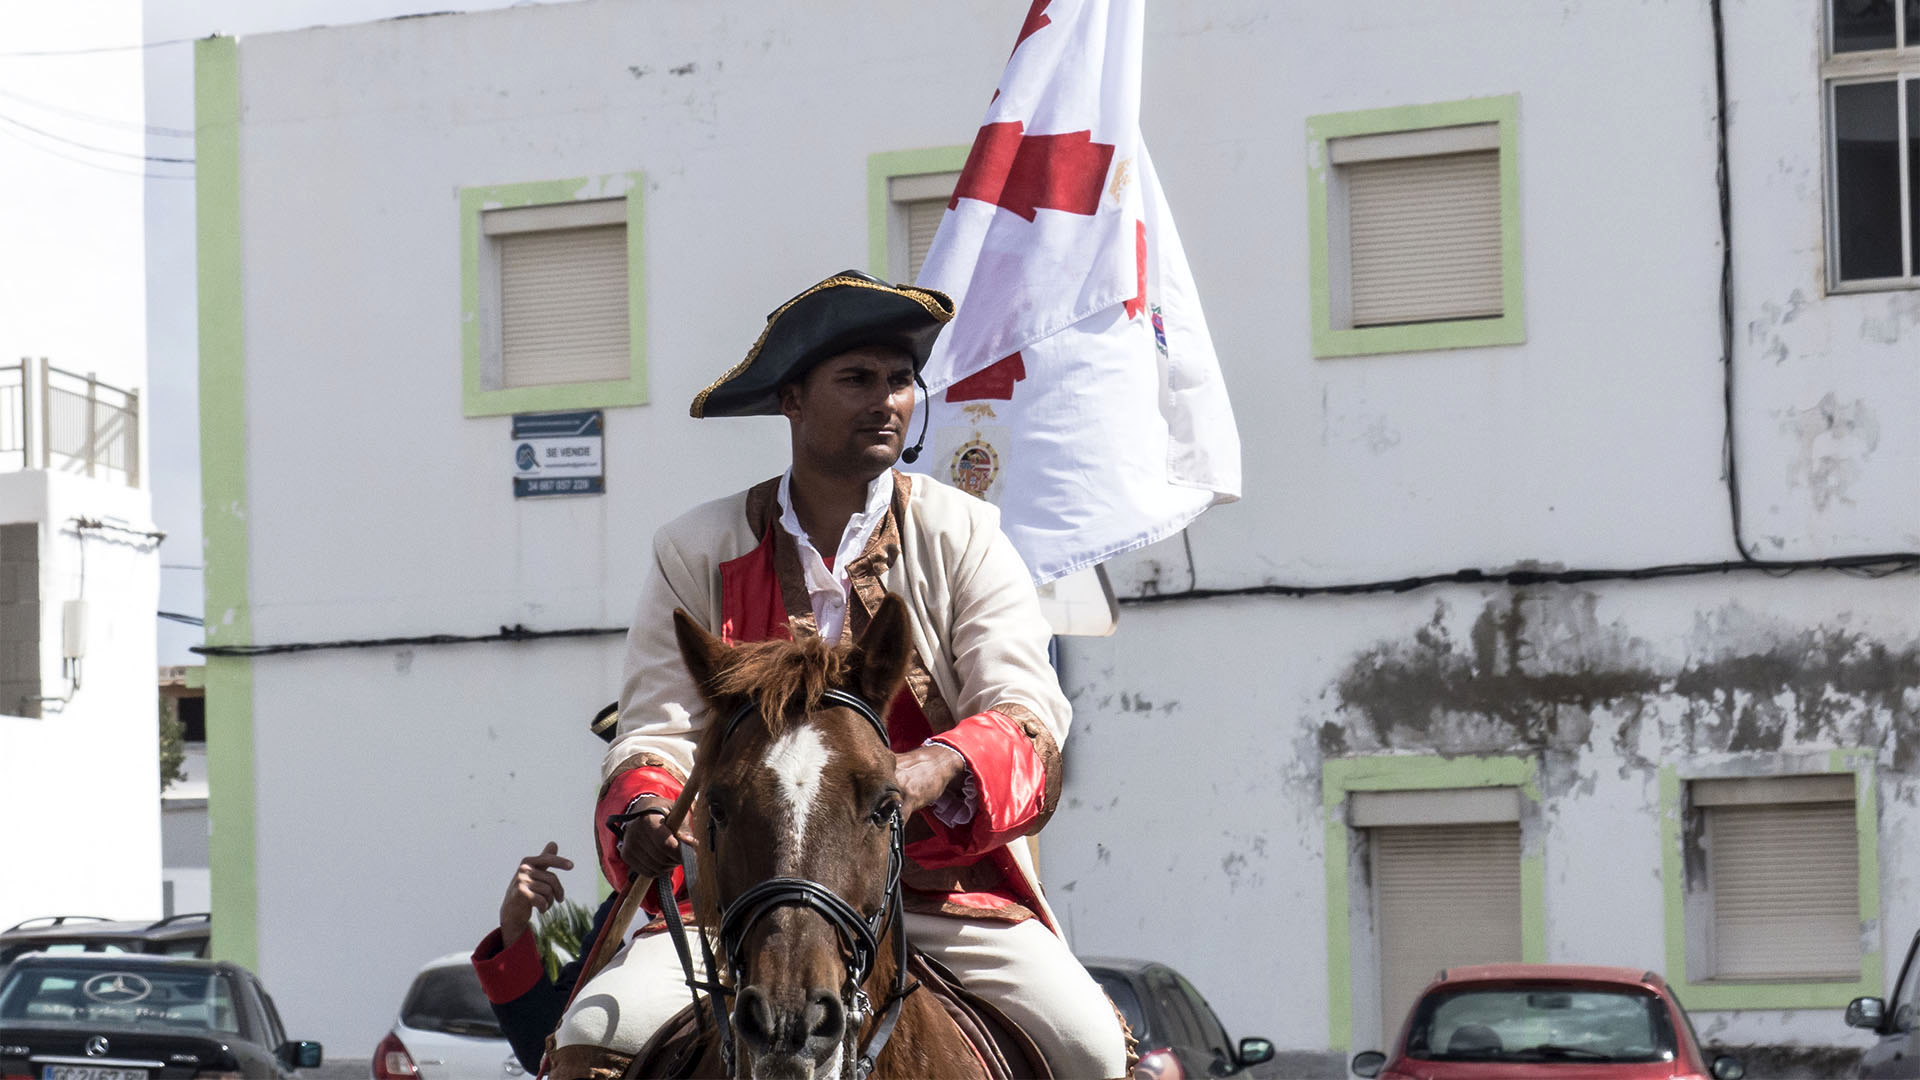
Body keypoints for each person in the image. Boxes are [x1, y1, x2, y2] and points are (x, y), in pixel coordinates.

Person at [550, 270, 1126, 1079]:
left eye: (900, 382)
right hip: (739, 900)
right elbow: (658, 727)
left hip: (936, 892)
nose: (887, 400)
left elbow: (1026, 707)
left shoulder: (967, 533)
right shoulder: (695, 546)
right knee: (589, 1041)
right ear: (791, 400)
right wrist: (644, 806)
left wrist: (937, 764)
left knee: (1092, 1048)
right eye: (857, 380)